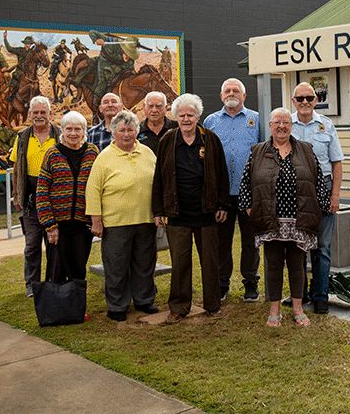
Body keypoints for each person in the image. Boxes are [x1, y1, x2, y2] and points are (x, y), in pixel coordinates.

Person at [238, 107, 330, 327]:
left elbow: (318, 182)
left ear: (291, 126)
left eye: (286, 122)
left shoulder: (306, 150)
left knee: (298, 265)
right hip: (271, 220)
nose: (281, 126)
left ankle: (298, 309)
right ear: (270, 126)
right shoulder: (258, 151)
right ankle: (274, 311)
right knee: (273, 265)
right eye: (277, 122)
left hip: (299, 220)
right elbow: (246, 184)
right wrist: (251, 210)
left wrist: (321, 208)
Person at [152, 94, 230, 323]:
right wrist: (158, 210)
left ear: (198, 116)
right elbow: (159, 178)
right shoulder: (167, 140)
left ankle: (213, 305)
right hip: (177, 214)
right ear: (175, 117)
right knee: (180, 263)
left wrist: (223, 205)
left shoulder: (210, 139)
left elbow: (222, 173)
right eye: (182, 115)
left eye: (190, 115)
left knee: (210, 263)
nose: (186, 119)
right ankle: (178, 307)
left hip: (206, 212)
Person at [86, 110, 158, 322]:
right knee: (116, 266)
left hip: (146, 219)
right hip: (116, 222)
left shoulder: (147, 153)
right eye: (122, 130)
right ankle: (117, 305)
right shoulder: (104, 158)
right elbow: (92, 190)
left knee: (145, 264)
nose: (127, 134)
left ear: (137, 131)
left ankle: (144, 300)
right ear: (113, 132)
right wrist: (96, 221)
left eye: (131, 129)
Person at [202, 78, 261, 302]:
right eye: (227, 90)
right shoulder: (211, 121)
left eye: (236, 90)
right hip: (222, 192)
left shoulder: (256, 119)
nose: (231, 93)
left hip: (250, 191)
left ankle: (250, 284)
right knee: (221, 241)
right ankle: (221, 284)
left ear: (244, 96)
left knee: (250, 241)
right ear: (221, 96)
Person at [290, 82, 344, 315]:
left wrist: (335, 195)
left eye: (309, 97)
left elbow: (337, 163)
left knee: (322, 247)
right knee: (297, 245)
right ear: (293, 101)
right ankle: (300, 296)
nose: (304, 102)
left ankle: (321, 296)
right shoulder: (285, 124)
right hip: (294, 192)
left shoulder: (327, 125)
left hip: (323, 188)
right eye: (300, 98)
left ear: (315, 99)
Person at [35, 111, 99, 289]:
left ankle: (76, 307)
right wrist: (49, 225)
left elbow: (99, 185)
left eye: (77, 129)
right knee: (57, 270)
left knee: (79, 269)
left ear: (84, 130)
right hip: (58, 226)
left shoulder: (93, 152)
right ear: (62, 130)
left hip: (82, 224)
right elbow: (41, 192)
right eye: (69, 129)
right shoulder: (52, 154)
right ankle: (57, 311)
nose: (73, 133)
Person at [10, 96, 61, 297]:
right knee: (32, 245)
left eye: (43, 112)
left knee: (53, 244)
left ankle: (53, 281)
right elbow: (16, 168)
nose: (39, 116)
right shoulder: (22, 137)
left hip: (54, 198)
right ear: (30, 114)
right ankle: (32, 284)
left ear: (50, 114)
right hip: (31, 201)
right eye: (35, 112)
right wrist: (16, 194)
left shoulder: (59, 134)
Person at [2, 31, 33, 101]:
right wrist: (5, 39)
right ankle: (10, 95)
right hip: (20, 71)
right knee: (15, 79)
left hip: (29, 72)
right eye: (25, 43)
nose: (26, 45)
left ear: (30, 44)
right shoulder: (20, 50)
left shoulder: (32, 52)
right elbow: (9, 49)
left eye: (28, 44)